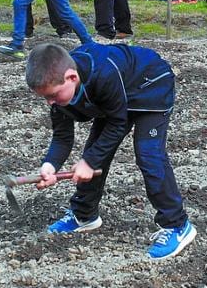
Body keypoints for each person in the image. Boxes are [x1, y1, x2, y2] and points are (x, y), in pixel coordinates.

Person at [26, 41, 197, 259]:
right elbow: (62, 136)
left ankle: (177, 225)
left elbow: (117, 123)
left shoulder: (102, 73)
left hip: (150, 86)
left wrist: (88, 162)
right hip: (117, 98)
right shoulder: (59, 91)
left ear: (71, 77)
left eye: (54, 95)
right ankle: (84, 215)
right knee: (95, 151)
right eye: (45, 98)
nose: (50, 103)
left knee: (148, 154)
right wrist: (49, 166)